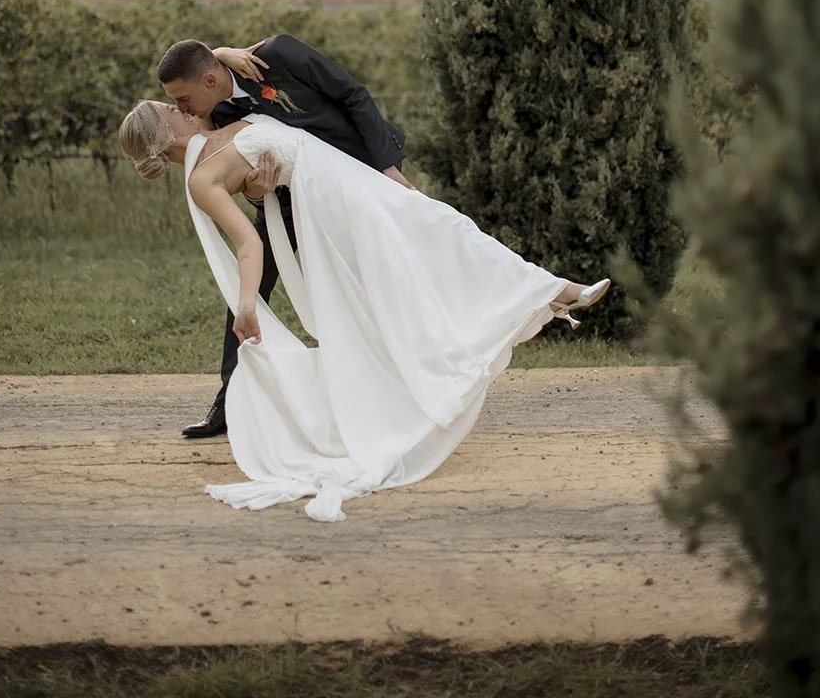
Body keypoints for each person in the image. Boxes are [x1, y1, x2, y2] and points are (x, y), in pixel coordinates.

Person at [119, 98, 610, 523]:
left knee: (442, 227)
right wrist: (247, 306)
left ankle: (545, 292)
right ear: (164, 132)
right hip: (334, 203)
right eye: (169, 110)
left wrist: (255, 185)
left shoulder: (219, 126)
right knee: (437, 234)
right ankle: (541, 297)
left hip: (345, 179)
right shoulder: (203, 178)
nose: (180, 108)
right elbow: (248, 243)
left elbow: (232, 95)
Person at [156, 37, 408, 439]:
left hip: (355, 173)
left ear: (207, 79)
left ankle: (398, 383)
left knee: (372, 278)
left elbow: (353, 95)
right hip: (285, 200)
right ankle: (231, 399)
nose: (183, 108)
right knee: (248, 288)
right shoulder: (214, 111)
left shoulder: (276, 57)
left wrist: (386, 167)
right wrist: (258, 191)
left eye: (183, 98)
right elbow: (247, 177)